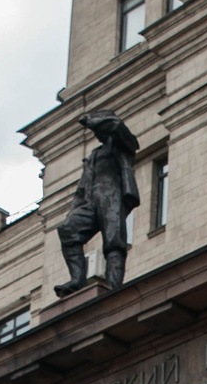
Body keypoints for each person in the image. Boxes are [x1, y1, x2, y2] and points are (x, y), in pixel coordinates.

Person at [55, 110, 143, 295]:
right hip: (89, 199)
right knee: (67, 230)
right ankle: (77, 280)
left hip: (112, 195)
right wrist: (73, 210)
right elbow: (82, 187)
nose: (97, 134)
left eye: (99, 129)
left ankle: (113, 287)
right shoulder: (94, 155)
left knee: (113, 242)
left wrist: (93, 121)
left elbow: (117, 126)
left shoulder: (122, 144)